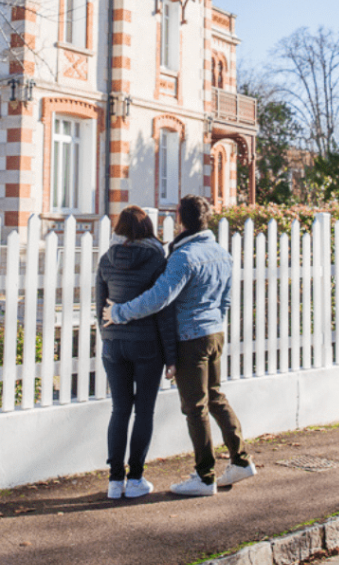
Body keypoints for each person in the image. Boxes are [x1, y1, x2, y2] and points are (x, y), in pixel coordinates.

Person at [103, 194, 256, 497]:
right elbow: (225, 299)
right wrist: (214, 322)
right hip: (215, 333)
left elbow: (158, 298)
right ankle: (240, 460)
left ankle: (205, 476)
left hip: (190, 338)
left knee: (194, 407)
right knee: (215, 397)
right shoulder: (221, 253)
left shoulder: (183, 257)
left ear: (181, 219)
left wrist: (119, 312)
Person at [96, 206, 177, 500]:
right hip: (147, 345)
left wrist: (109, 338)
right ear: (148, 229)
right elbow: (163, 311)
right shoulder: (157, 259)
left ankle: (115, 481)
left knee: (119, 410)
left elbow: (99, 307)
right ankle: (136, 479)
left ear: (119, 229)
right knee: (144, 411)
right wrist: (171, 357)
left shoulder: (106, 259)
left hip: (114, 346)